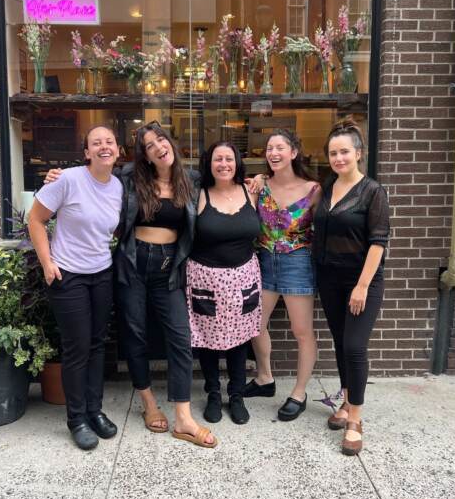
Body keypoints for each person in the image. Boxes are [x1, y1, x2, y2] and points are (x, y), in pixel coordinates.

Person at [46, 121, 217, 449]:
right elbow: (96, 172)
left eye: (161, 140)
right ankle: (148, 403)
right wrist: (59, 177)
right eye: (149, 145)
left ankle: (183, 417)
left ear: (171, 142)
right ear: (145, 155)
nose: (157, 147)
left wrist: (259, 182)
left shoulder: (192, 180)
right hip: (132, 264)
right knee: (135, 335)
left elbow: (226, 181)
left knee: (181, 338)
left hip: (169, 268)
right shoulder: (130, 177)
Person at [28, 126, 122, 451]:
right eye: (96, 143)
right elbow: (35, 220)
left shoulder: (118, 187)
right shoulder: (67, 179)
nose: (103, 147)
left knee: (97, 345)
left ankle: (95, 411)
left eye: (109, 142)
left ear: (118, 150)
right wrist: (47, 262)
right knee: (77, 348)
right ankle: (77, 419)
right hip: (69, 276)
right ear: (87, 153)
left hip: (102, 274)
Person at [312, 119, 390, 455]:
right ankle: (344, 401)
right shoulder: (328, 186)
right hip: (329, 278)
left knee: (355, 346)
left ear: (358, 153)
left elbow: (378, 242)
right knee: (341, 344)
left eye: (344, 151)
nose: (338, 157)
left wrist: (361, 286)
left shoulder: (372, 191)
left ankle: (355, 419)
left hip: (361, 282)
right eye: (333, 153)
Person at [244, 129, 321, 422]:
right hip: (263, 259)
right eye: (269, 149)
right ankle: (265, 378)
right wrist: (253, 190)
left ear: (293, 152)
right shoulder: (260, 185)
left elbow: (325, 228)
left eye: (279, 148)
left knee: (301, 331)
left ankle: (299, 393)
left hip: (298, 261)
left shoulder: (314, 189)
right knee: (254, 324)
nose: (273, 153)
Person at [188, 142, 261, 425]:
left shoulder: (251, 191)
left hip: (244, 275)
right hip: (205, 276)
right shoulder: (199, 195)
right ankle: (214, 394)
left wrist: (263, 178)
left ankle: (237, 395)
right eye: (217, 159)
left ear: (237, 162)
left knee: (240, 339)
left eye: (229, 159)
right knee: (206, 339)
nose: (223, 164)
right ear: (209, 164)